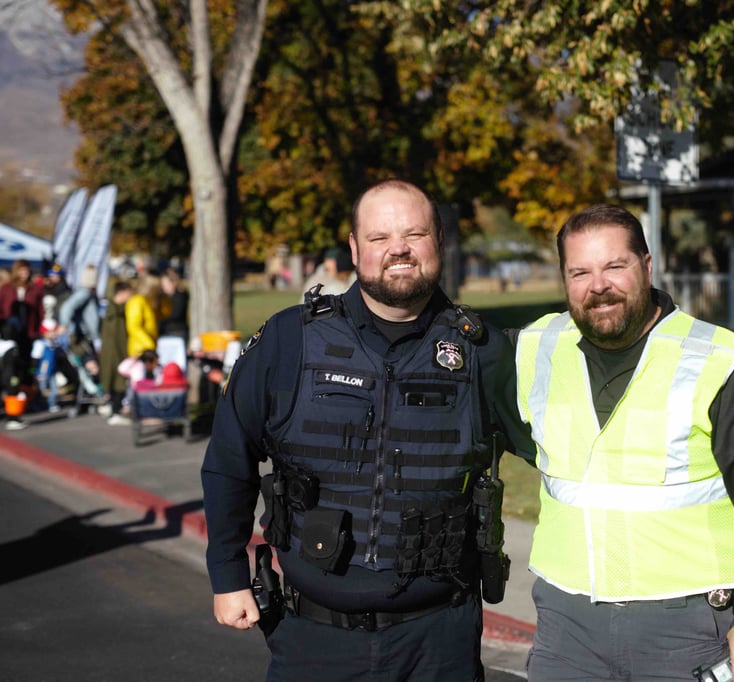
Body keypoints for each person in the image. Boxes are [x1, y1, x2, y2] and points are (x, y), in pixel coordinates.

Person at [201, 178, 535, 681]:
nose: (397, 248)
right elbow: (230, 457)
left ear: (438, 241)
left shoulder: (483, 353)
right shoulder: (290, 339)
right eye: (379, 238)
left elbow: (564, 451)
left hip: (439, 642)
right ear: (355, 249)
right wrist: (228, 574)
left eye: (414, 234)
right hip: (312, 636)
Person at [513, 204, 734, 681]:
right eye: (580, 272)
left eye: (614, 266)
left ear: (646, 265)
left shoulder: (716, 359)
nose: (598, 285)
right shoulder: (536, 346)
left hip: (685, 626)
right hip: (567, 625)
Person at [99, 281, 133, 424]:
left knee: (115, 379)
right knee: (116, 380)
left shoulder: (115, 309)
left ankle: (113, 408)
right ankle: (115, 411)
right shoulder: (112, 310)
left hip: (116, 350)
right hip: (114, 351)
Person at [125, 271, 168, 360]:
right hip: (140, 349)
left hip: (149, 348)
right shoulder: (137, 301)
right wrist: (149, 343)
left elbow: (165, 313)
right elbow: (134, 327)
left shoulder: (148, 302)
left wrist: (165, 297)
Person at [158, 268, 189, 339]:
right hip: (164, 332)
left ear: (174, 283)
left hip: (177, 332)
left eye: (166, 284)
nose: (164, 288)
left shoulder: (181, 295)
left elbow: (176, 313)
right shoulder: (163, 297)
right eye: (163, 285)